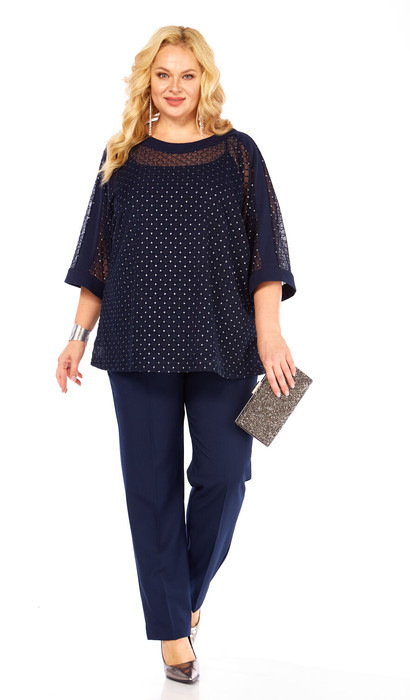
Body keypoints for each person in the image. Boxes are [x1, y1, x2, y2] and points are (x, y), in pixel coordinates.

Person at [56, 25, 297, 685]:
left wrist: (272, 333)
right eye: (163, 74)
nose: (175, 86)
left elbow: (266, 253)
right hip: (135, 342)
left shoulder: (239, 152)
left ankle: (185, 597)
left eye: (187, 74)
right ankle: (172, 633)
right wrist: (76, 336)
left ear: (205, 80)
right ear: (148, 81)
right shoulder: (123, 157)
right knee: (150, 487)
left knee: (228, 472)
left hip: (227, 342)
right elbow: (98, 259)